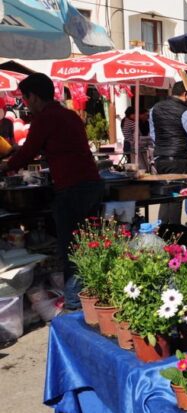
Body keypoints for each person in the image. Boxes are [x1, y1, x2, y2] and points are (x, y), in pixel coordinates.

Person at [0, 73, 102, 310]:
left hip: (72, 189)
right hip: (91, 185)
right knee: (88, 243)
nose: (25, 104)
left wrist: (5, 166)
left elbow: (28, 153)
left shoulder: (45, 118)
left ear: (34, 97)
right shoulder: (69, 115)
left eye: (25, 99)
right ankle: (92, 295)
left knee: (71, 246)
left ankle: (76, 302)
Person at [149, 81, 187, 225]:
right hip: (178, 159)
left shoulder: (154, 109)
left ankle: (162, 229)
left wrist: (162, 147)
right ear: (186, 95)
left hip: (160, 158)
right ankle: (174, 232)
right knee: (177, 196)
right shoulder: (185, 111)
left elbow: (153, 135)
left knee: (164, 196)